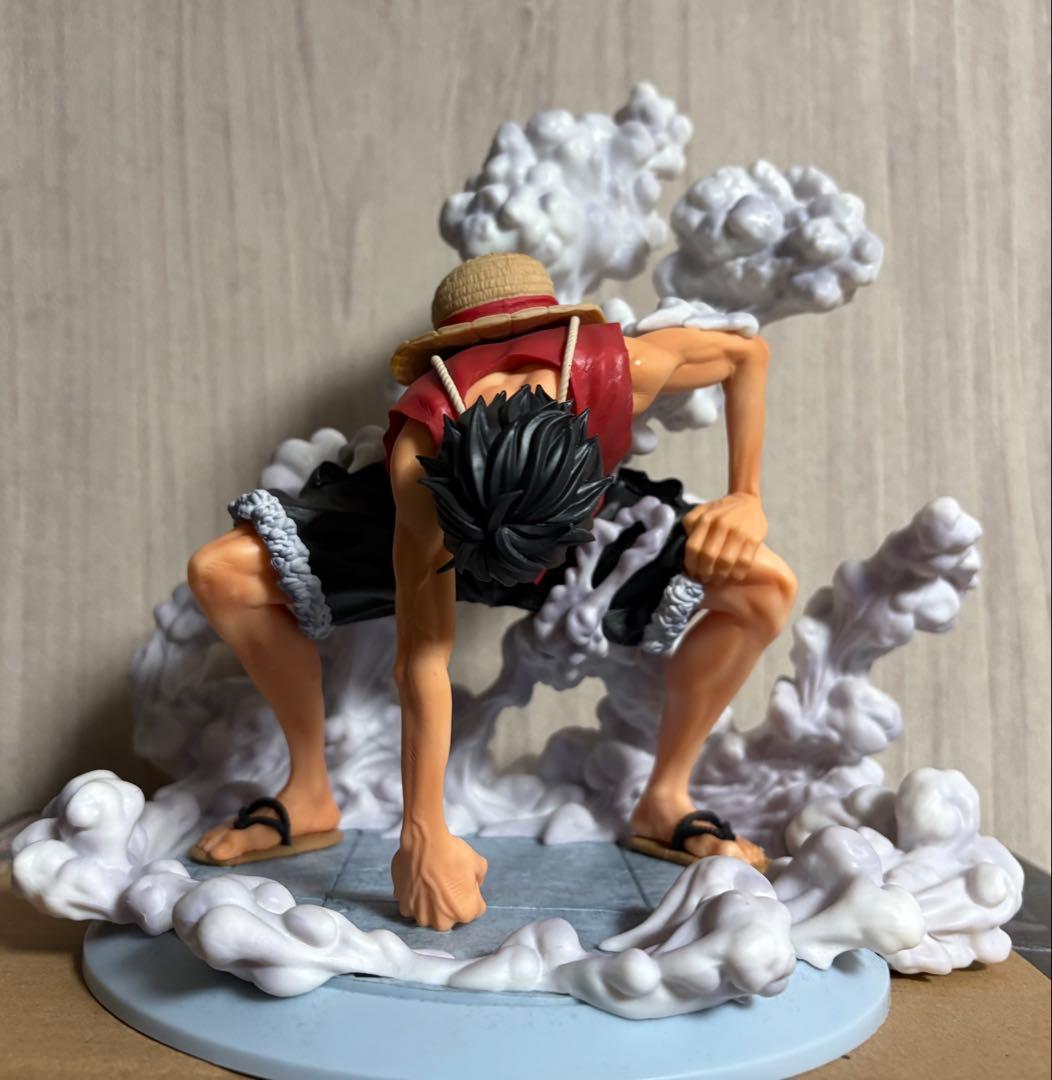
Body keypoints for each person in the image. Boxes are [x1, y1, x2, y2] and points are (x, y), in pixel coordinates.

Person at [186, 253, 796, 931]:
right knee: (222, 573)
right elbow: (424, 656)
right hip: (441, 534)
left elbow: (747, 354)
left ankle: (667, 797)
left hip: (581, 535)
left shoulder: (623, 367)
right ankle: (307, 792)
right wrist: (424, 834)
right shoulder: (419, 459)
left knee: (765, 586)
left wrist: (746, 496)